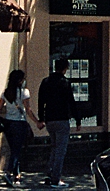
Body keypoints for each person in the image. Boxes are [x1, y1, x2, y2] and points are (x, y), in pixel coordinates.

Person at [36, 60, 76, 190]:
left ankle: (50, 173)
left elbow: (41, 101)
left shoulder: (46, 82)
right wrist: (78, 118)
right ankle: (56, 178)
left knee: (54, 147)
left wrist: (41, 118)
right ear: (65, 69)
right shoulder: (65, 83)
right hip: (62, 119)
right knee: (60, 150)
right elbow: (71, 102)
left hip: (50, 119)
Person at [0, 69, 37, 184]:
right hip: (19, 123)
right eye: (23, 79)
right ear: (19, 81)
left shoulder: (5, 93)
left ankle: (17, 176)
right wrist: (37, 121)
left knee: (14, 149)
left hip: (8, 124)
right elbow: (28, 110)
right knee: (16, 150)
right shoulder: (24, 92)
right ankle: (8, 172)